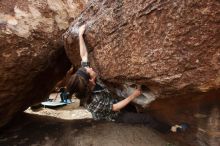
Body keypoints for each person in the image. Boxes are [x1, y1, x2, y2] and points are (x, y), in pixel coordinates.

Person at [66, 24, 184, 133]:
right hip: (114, 115)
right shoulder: (93, 102)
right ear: (90, 82)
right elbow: (115, 108)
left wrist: (80, 35)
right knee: (147, 118)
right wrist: (134, 95)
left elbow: (84, 56)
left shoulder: (85, 78)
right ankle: (172, 129)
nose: (90, 68)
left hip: (112, 100)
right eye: (89, 71)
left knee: (133, 109)